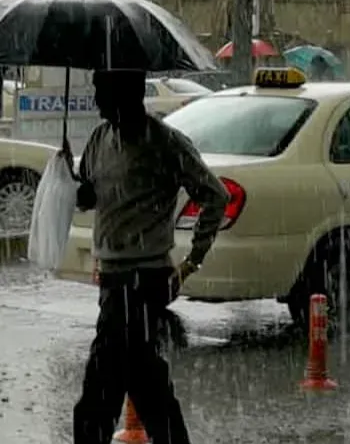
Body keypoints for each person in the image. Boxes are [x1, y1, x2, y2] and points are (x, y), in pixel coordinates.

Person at [70, 69, 230, 444]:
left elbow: (215, 195)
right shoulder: (99, 139)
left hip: (144, 280)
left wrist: (192, 261)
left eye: (102, 91)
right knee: (145, 380)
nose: (96, 100)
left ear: (127, 93)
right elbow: (89, 191)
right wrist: (77, 188)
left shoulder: (164, 143)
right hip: (112, 280)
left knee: (102, 385)